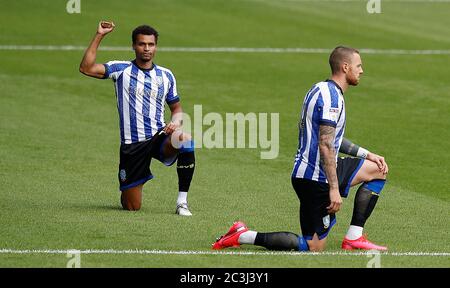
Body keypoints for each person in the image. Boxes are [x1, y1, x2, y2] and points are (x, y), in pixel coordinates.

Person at [212, 46, 389, 251]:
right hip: (314, 178)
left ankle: (354, 237)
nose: (362, 70)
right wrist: (333, 189)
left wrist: (367, 154)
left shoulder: (321, 89)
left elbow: (332, 139)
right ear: (345, 67)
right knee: (313, 246)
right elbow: (325, 143)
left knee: (377, 169)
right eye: (358, 66)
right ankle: (243, 235)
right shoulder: (331, 97)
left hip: (319, 168)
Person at [79, 21, 195, 216]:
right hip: (133, 145)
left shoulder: (166, 75)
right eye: (142, 44)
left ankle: (182, 202)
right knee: (132, 207)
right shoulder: (120, 69)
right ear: (134, 46)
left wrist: (176, 122)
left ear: (156, 46)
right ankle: (128, 188)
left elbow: (176, 108)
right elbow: (86, 68)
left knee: (185, 138)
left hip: (159, 137)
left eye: (150, 44)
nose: (146, 48)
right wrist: (100, 35)